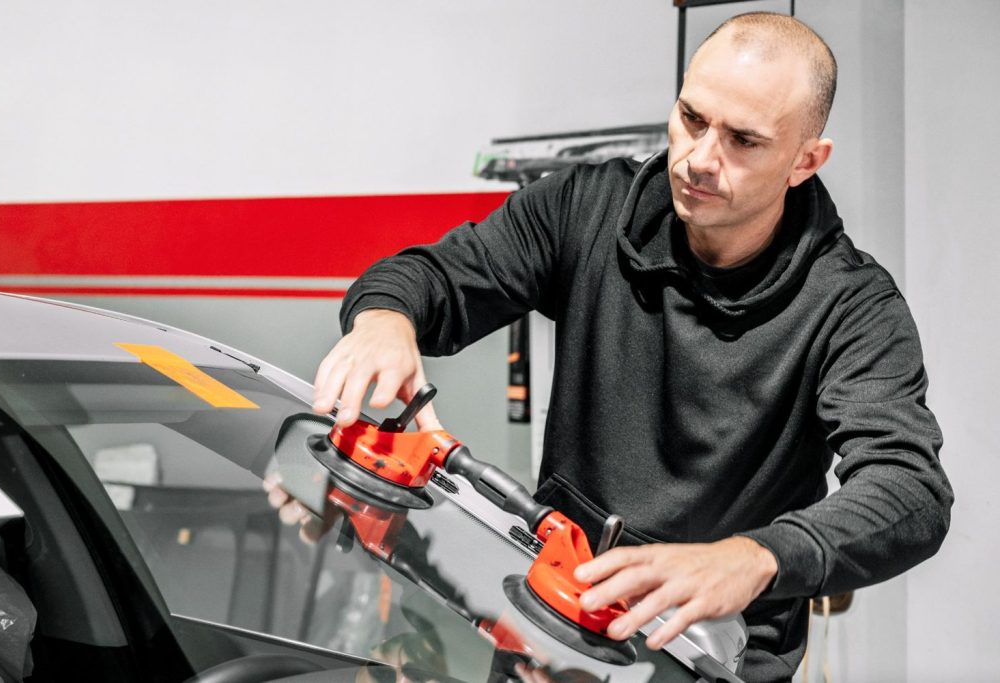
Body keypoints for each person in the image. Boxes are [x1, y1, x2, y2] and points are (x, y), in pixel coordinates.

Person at [308, 12, 953, 682]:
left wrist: (755, 556)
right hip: (551, 618)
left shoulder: (853, 305)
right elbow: (429, 276)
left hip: (707, 657)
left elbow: (910, 489)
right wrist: (384, 319)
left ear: (805, 161)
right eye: (692, 118)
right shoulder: (585, 208)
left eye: (743, 141)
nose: (701, 158)